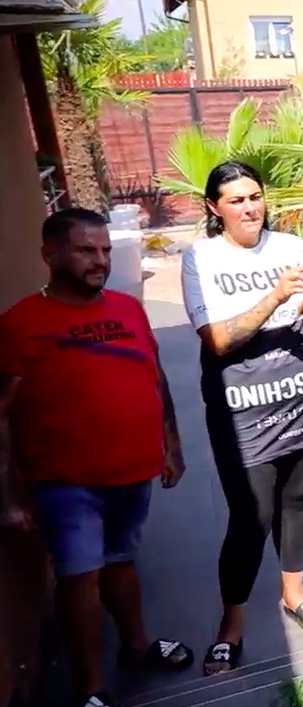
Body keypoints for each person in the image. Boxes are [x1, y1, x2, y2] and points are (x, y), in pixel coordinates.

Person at [0, 208, 193, 707]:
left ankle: (137, 645)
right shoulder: (20, 323)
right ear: (51, 255)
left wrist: (171, 445)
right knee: (80, 575)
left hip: (132, 470)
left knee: (122, 560)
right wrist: (8, 496)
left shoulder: (128, 308)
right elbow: (1, 412)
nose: (101, 260)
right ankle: (90, 687)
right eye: (87, 250)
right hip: (65, 481)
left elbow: (156, 378)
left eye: (105, 250)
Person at [180, 161, 303, 676]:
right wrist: (274, 295)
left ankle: (294, 593)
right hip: (241, 406)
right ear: (214, 208)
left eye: (255, 197)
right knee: (250, 517)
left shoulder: (290, 246)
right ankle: (231, 624)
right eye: (236, 200)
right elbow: (217, 340)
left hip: (300, 393)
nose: (250, 208)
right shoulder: (201, 258)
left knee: (295, 500)